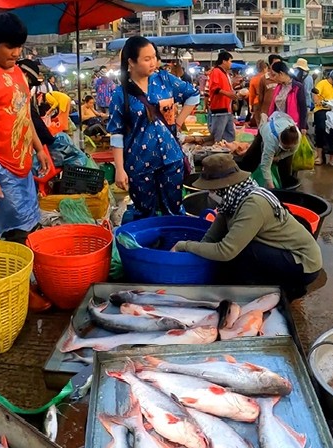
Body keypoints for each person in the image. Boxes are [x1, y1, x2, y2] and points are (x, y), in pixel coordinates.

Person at [174, 153, 321, 297]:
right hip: (275, 251)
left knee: (242, 252)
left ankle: (285, 289)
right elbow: (212, 237)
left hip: (302, 263)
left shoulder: (253, 204)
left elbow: (226, 251)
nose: (210, 194)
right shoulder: (231, 202)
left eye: (212, 190)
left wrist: (184, 245)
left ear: (223, 188)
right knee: (229, 254)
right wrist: (190, 259)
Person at [0, 12, 52, 243]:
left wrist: (39, 149)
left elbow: (24, 116)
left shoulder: (18, 73)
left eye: (19, 47)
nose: (16, 53)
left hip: (22, 163)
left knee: (31, 222)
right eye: (10, 47)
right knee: (15, 231)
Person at [108, 36, 200, 218]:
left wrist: (178, 121)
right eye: (147, 59)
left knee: (174, 210)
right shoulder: (120, 94)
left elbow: (193, 95)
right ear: (131, 62)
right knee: (144, 213)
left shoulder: (164, 80)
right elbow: (116, 134)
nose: (153, 63)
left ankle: (173, 236)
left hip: (171, 157)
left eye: (154, 57)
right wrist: (119, 168)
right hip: (139, 162)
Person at [267, 60, 308, 140]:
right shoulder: (278, 87)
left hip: (291, 125)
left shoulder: (297, 87)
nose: (273, 78)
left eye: (274, 75)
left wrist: (303, 126)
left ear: (281, 73)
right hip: (277, 124)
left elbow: (303, 108)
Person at [312, 68, 333, 166]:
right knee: (321, 130)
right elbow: (315, 93)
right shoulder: (323, 83)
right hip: (321, 110)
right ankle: (319, 156)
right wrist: (317, 101)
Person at [206, 50, 237, 144]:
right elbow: (215, 88)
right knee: (217, 137)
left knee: (229, 136)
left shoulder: (225, 73)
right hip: (219, 108)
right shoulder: (216, 71)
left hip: (227, 109)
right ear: (224, 61)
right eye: (230, 61)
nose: (231, 63)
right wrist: (228, 94)